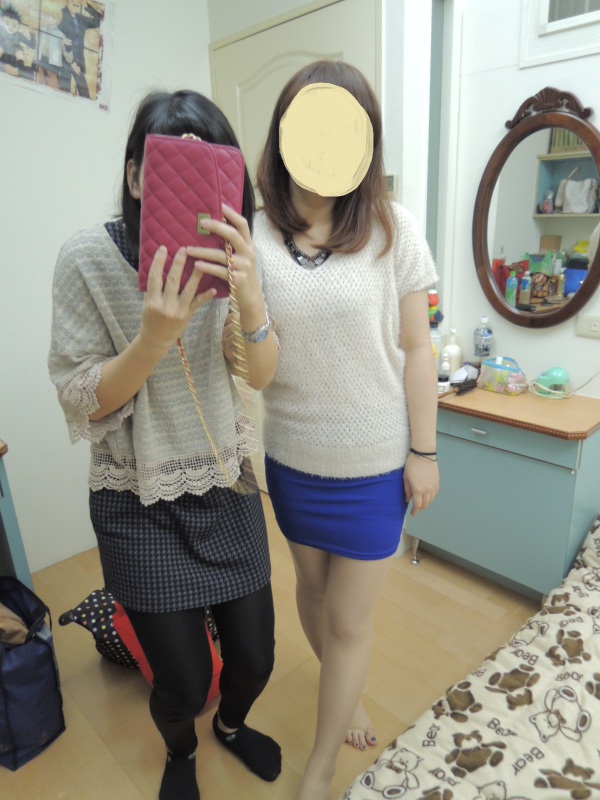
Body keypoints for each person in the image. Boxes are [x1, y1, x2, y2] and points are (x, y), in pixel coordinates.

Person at [48, 89, 281, 800]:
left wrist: (250, 299)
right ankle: (181, 752)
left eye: (212, 166)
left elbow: (260, 374)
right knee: (182, 680)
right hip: (135, 497)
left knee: (254, 659)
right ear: (135, 174)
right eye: (171, 161)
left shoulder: (238, 258)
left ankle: (232, 727)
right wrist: (152, 338)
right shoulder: (86, 259)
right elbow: (80, 396)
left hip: (226, 481)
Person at [250, 60, 440, 800]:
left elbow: (419, 348)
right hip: (292, 458)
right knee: (310, 590)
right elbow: (254, 359)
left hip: (374, 466)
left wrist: (424, 451)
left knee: (352, 622)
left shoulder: (395, 228)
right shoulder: (257, 235)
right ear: (284, 136)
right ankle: (344, 690)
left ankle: (321, 766)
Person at [57, 0, 102, 97]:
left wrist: (88, 6)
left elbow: (98, 21)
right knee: (63, 93)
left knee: (85, 95)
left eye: (78, 4)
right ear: (67, 2)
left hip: (79, 61)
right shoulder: (60, 15)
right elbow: (59, 41)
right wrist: (71, 62)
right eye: (73, 3)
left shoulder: (80, 18)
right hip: (65, 61)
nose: (76, 6)